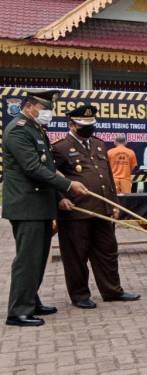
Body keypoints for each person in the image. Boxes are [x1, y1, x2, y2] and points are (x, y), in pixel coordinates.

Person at [3, 89, 88, 326]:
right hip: (26, 205)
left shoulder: (35, 128)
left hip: (40, 204)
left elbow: (49, 167)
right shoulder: (18, 130)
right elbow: (33, 168)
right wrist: (70, 184)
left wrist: (59, 195)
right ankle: (18, 311)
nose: (48, 114)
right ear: (29, 106)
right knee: (27, 259)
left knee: (38, 258)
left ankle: (31, 300)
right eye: (45, 109)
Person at [52, 105, 140, 309]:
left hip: (102, 209)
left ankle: (112, 291)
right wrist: (59, 198)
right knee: (76, 255)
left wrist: (115, 205)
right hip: (76, 211)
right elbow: (50, 177)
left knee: (108, 251)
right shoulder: (60, 147)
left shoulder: (99, 145)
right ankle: (80, 295)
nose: (89, 128)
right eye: (84, 125)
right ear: (72, 125)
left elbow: (107, 177)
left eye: (91, 124)